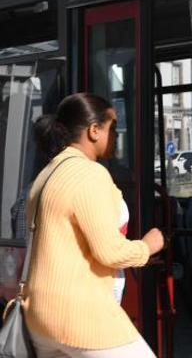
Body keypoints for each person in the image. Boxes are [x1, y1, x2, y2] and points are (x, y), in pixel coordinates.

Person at [23, 93, 165, 358]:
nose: (117, 136)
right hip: (81, 317)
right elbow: (109, 252)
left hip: (38, 318)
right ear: (94, 130)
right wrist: (147, 246)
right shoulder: (90, 174)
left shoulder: (46, 174)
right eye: (113, 127)